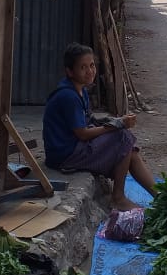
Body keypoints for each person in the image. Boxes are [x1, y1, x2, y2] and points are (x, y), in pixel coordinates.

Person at [43, 43, 158, 211]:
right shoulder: (68, 96)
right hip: (65, 155)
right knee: (122, 136)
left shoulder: (80, 90)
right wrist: (117, 125)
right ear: (70, 71)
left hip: (74, 146)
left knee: (130, 152)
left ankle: (162, 197)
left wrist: (114, 120)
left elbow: (89, 120)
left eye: (91, 65)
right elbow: (82, 133)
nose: (90, 71)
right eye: (83, 67)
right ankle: (118, 197)